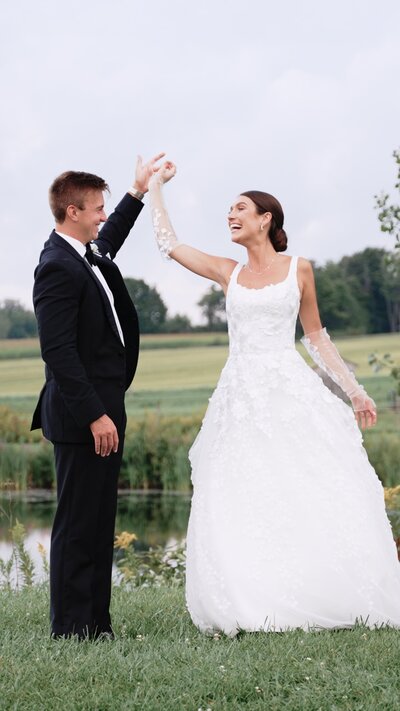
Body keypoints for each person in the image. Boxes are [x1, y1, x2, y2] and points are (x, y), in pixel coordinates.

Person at [149, 161, 400, 635]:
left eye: (240, 208)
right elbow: (169, 244)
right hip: (239, 395)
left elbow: (316, 337)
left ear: (266, 219)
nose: (230, 216)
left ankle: (320, 590)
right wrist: (155, 188)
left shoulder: (298, 269)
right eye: (228, 211)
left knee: (303, 485)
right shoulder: (229, 273)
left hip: (288, 391)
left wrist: (355, 390)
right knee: (240, 491)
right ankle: (252, 599)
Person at [31, 153, 164, 639]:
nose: (103, 215)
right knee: (75, 524)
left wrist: (138, 189)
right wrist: (95, 416)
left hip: (106, 411)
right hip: (81, 418)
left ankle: (95, 624)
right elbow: (59, 353)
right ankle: (69, 628)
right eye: (98, 208)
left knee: (98, 519)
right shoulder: (56, 267)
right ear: (73, 212)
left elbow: (112, 237)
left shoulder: (87, 255)